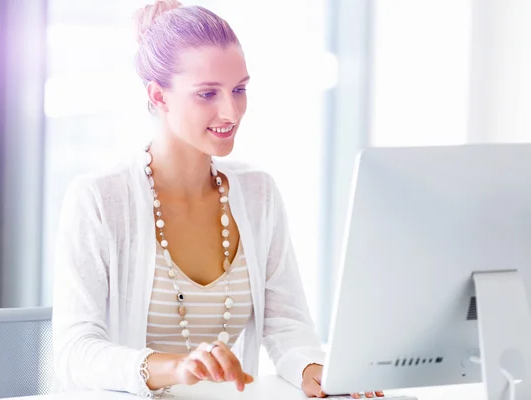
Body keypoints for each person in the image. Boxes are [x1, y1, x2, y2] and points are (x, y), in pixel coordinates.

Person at [51, 1, 383, 398]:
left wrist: (315, 368)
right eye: (207, 93)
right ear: (159, 96)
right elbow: (75, 354)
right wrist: (177, 366)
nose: (232, 111)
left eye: (239, 89)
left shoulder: (258, 192)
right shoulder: (100, 200)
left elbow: (287, 324)